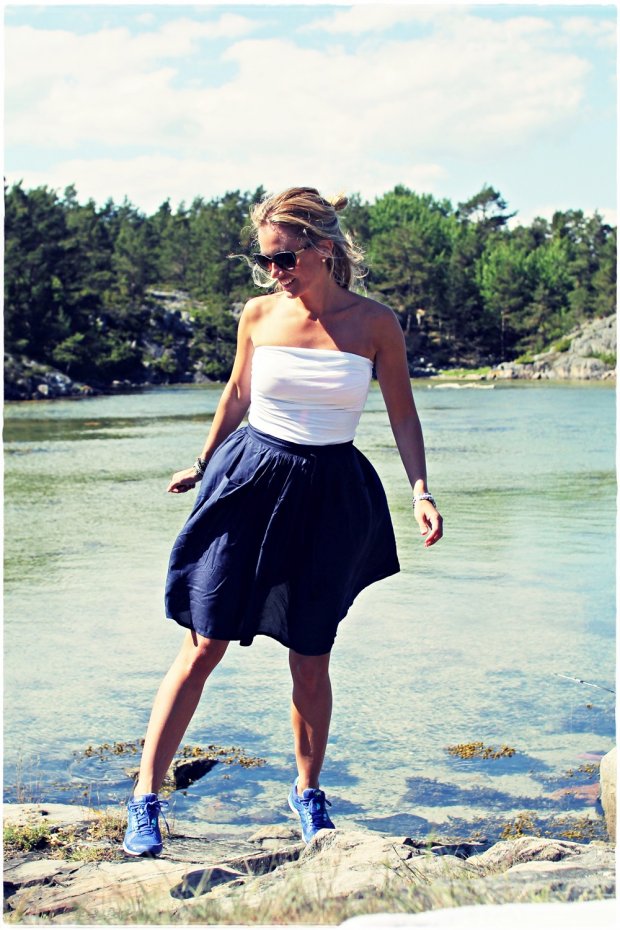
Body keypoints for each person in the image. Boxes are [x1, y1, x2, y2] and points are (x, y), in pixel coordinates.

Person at [122, 186, 443, 857]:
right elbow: (238, 393)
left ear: (322, 249)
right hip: (248, 484)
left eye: (284, 258)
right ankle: (145, 797)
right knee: (203, 643)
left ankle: (308, 793)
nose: (274, 272)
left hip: (329, 495)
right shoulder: (259, 314)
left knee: (311, 654)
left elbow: (403, 414)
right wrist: (202, 462)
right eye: (265, 260)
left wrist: (420, 490)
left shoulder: (375, 324)